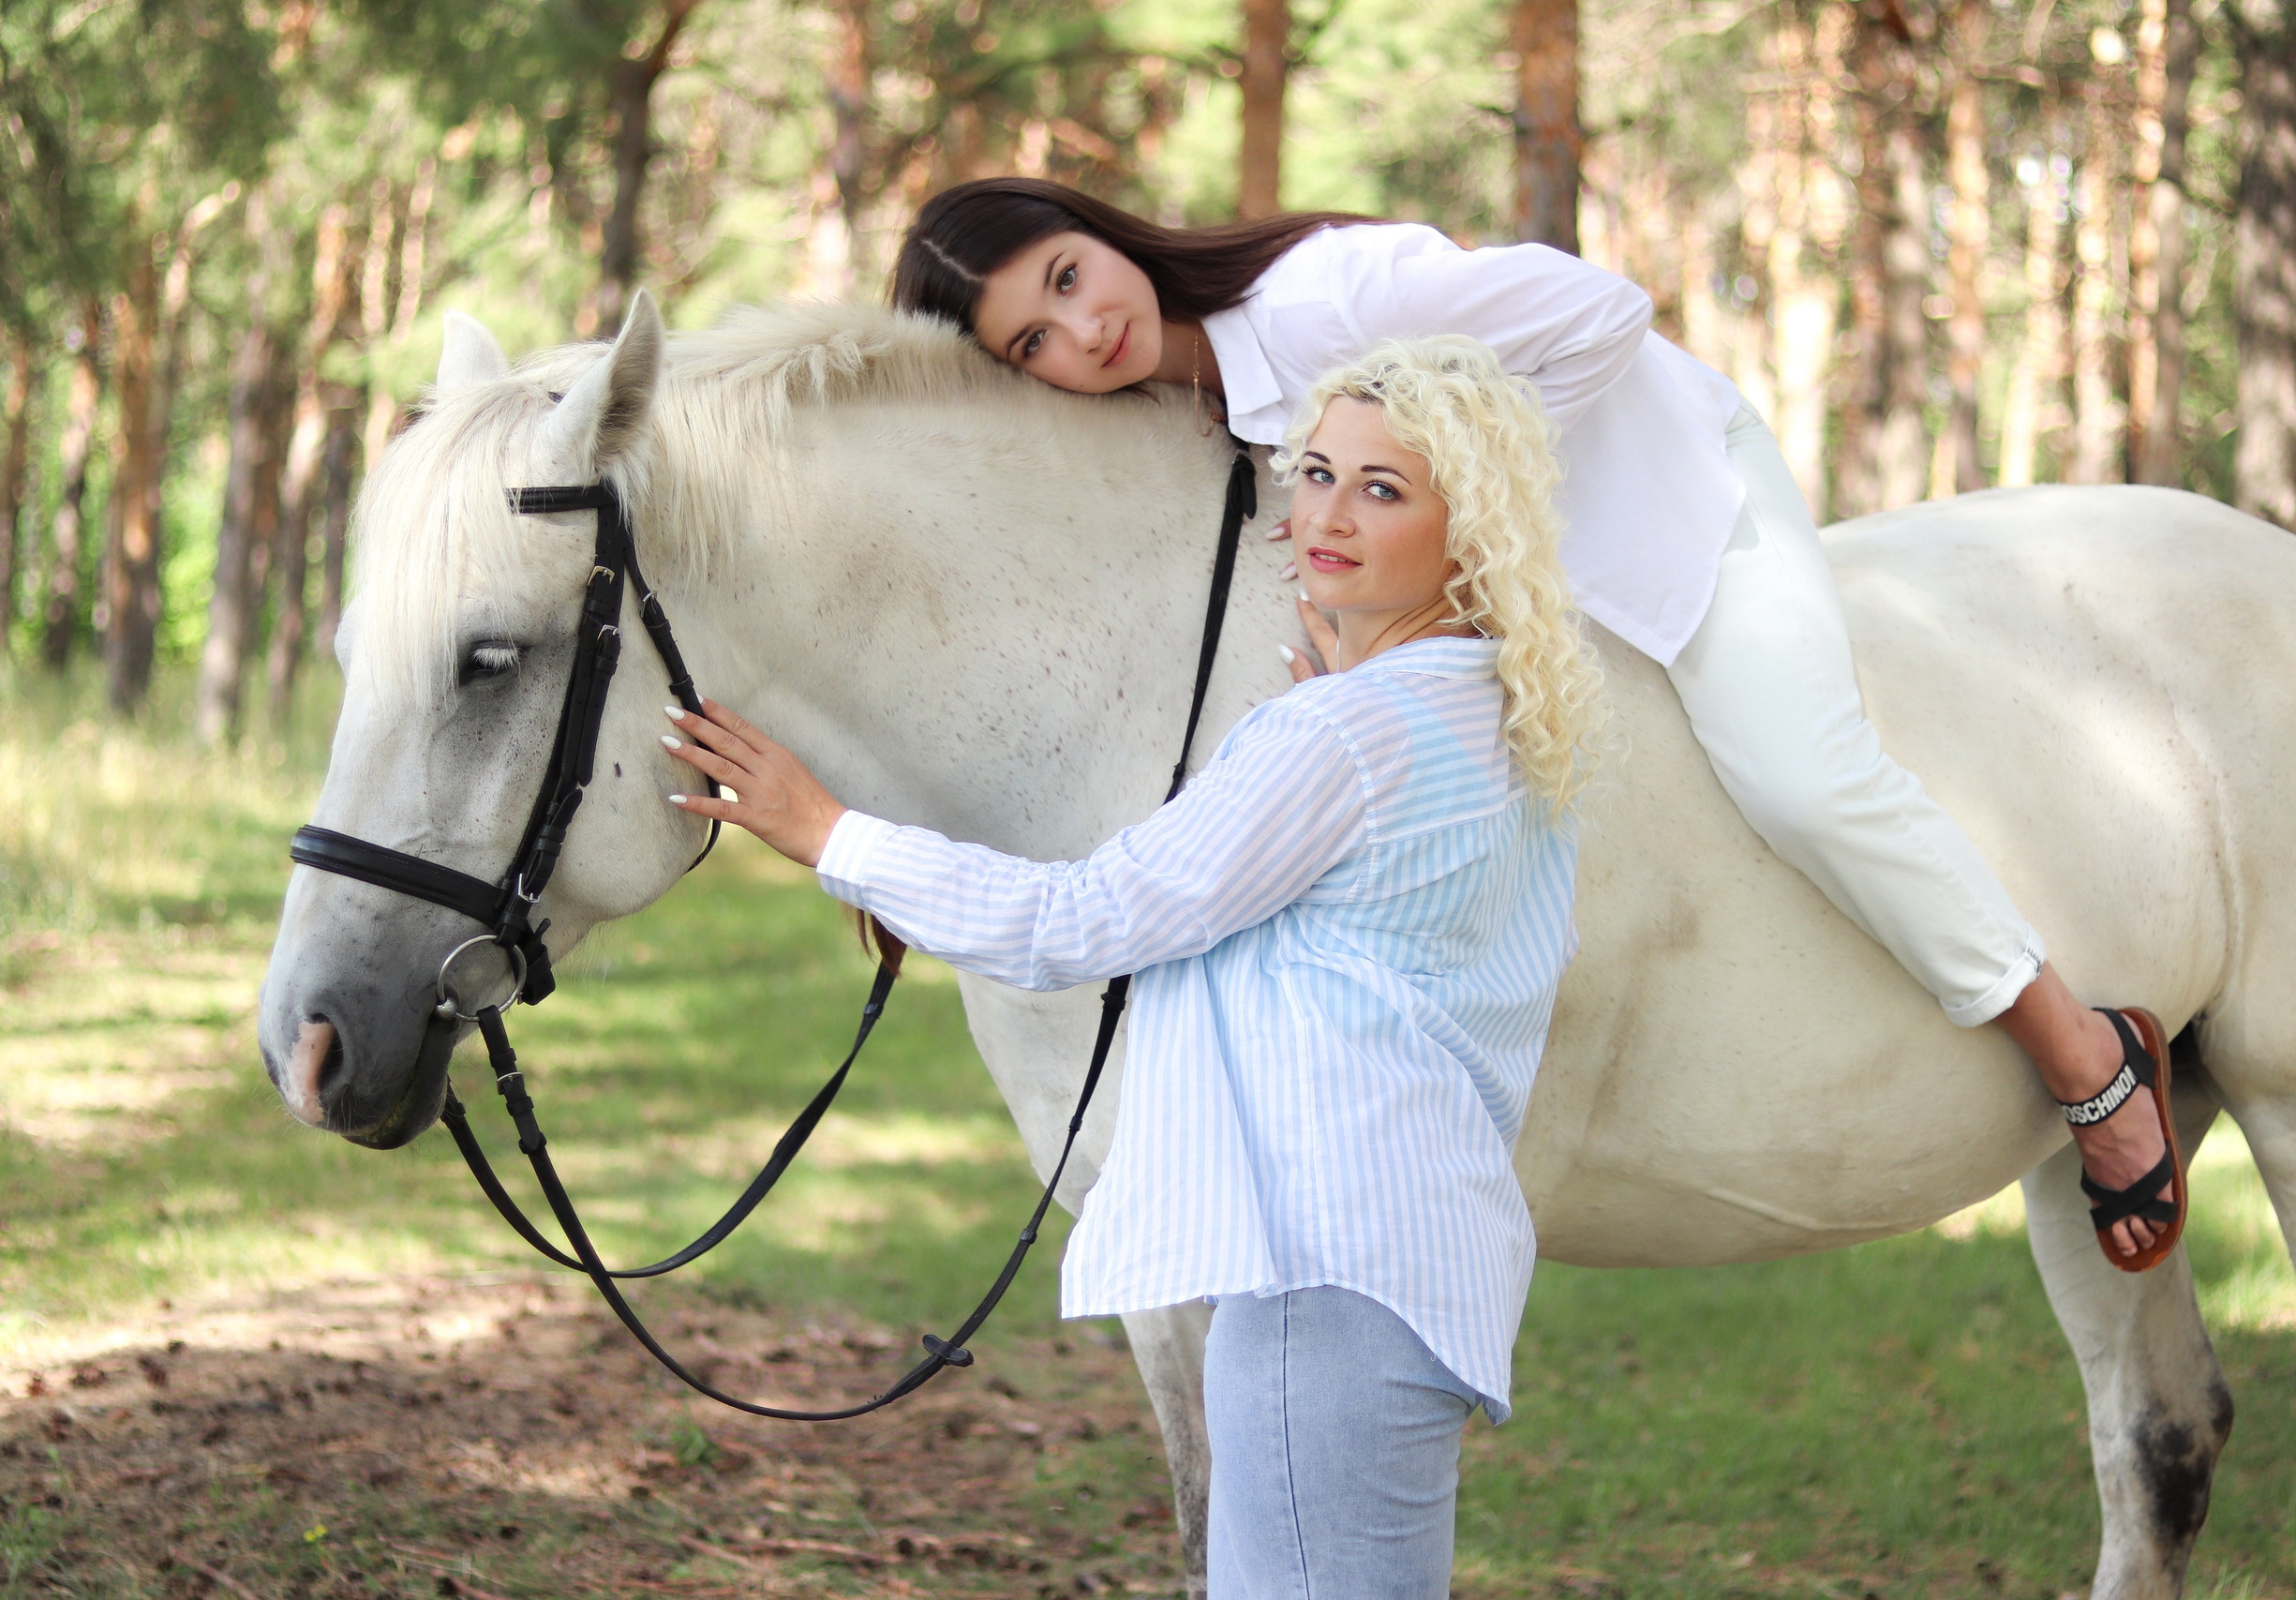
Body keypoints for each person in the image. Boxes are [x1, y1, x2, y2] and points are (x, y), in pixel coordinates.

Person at [886, 176, 2184, 1272]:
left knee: (1807, 778)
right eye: (1029, 343)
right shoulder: (1191, 410)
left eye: (1064, 277)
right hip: (1522, 606)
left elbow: (1602, 311)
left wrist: (1469, 517)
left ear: (1099, 231)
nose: (1081, 328)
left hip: (1675, 515)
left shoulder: (1329, 299)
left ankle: (2085, 1057)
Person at [660, 338, 1598, 1595]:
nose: (1324, 514)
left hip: (1319, 1271)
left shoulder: (1347, 733)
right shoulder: (1491, 708)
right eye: (1315, 472)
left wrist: (830, 831)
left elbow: (1082, 921)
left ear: (1470, 525)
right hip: (1408, 1264)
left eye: (1384, 490)